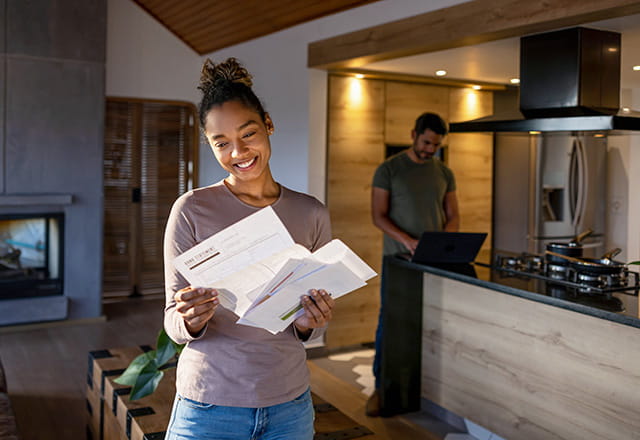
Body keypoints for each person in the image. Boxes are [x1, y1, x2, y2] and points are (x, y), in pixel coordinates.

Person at [163, 57, 335, 440]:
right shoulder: (191, 210)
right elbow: (173, 322)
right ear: (210, 145)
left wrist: (310, 323)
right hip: (208, 406)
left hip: (288, 406)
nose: (238, 152)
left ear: (268, 124)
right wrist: (190, 319)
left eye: (248, 134)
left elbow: (311, 327)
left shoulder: (311, 213)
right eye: (221, 143)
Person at [366, 112, 459, 417]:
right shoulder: (389, 169)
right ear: (413, 134)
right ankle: (382, 389)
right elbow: (378, 215)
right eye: (426, 142)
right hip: (399, 261)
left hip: (434, 263)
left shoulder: (445, 173)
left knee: (429, 323)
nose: (430, 149)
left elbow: (453, 215)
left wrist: (441, 245)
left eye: (436, 144)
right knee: (390, 323)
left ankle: (423, 389)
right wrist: (407, 241)